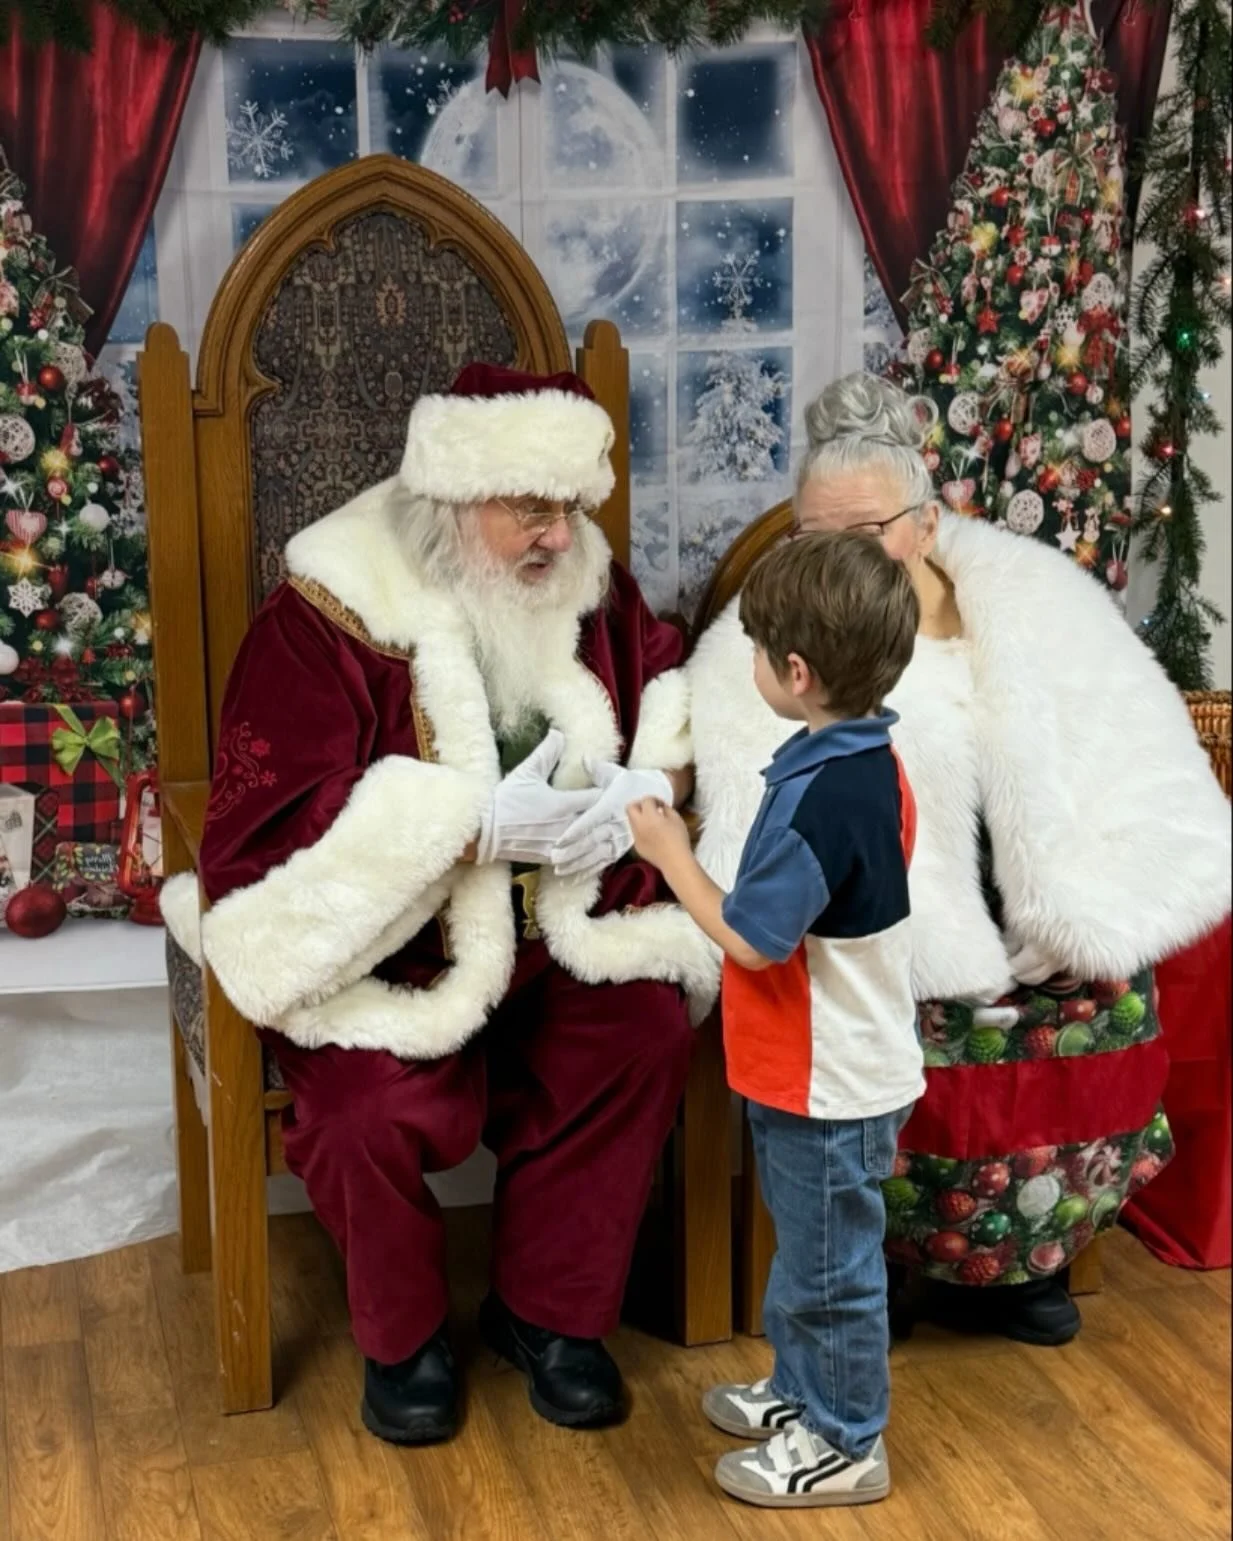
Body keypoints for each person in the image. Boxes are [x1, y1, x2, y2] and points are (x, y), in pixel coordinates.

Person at [160, 364, 716, 1445]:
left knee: (644, 1023)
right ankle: (403, 1337)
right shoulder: (324, 613)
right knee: (364, 1107)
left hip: (558, 918)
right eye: (528, 511)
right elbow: (267, 830)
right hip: (391, 948)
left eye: (566, 506)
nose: (556, 535)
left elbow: (666, 691)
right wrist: (461, 827)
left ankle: (545, 1314)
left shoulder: (587, 580)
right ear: (456, 501)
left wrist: (655, 784)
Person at [688, 373, 1232, 1348]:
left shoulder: (1033, 598)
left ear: (928, 523)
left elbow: (1139, 758)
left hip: (1036, 912)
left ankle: (1032, 1256)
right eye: (814, 537)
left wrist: (1089, 905)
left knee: (1105, 1002)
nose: (838, 558)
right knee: (916, 1034)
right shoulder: (772, 638)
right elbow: (748, 816)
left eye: (866, 531)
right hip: (884, 931)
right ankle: (886, 1264)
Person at [629, 531, 922, 1509]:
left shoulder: (827, 798)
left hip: (827, 1077)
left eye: (753, 647)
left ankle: (846, 1439)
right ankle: (804, 1389)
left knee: (831, 1266)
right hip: (812, 1066)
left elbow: (753, 940)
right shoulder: (856, 752)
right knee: (809, 1249)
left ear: (795, 673)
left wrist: (674, 855)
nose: (747, 662)